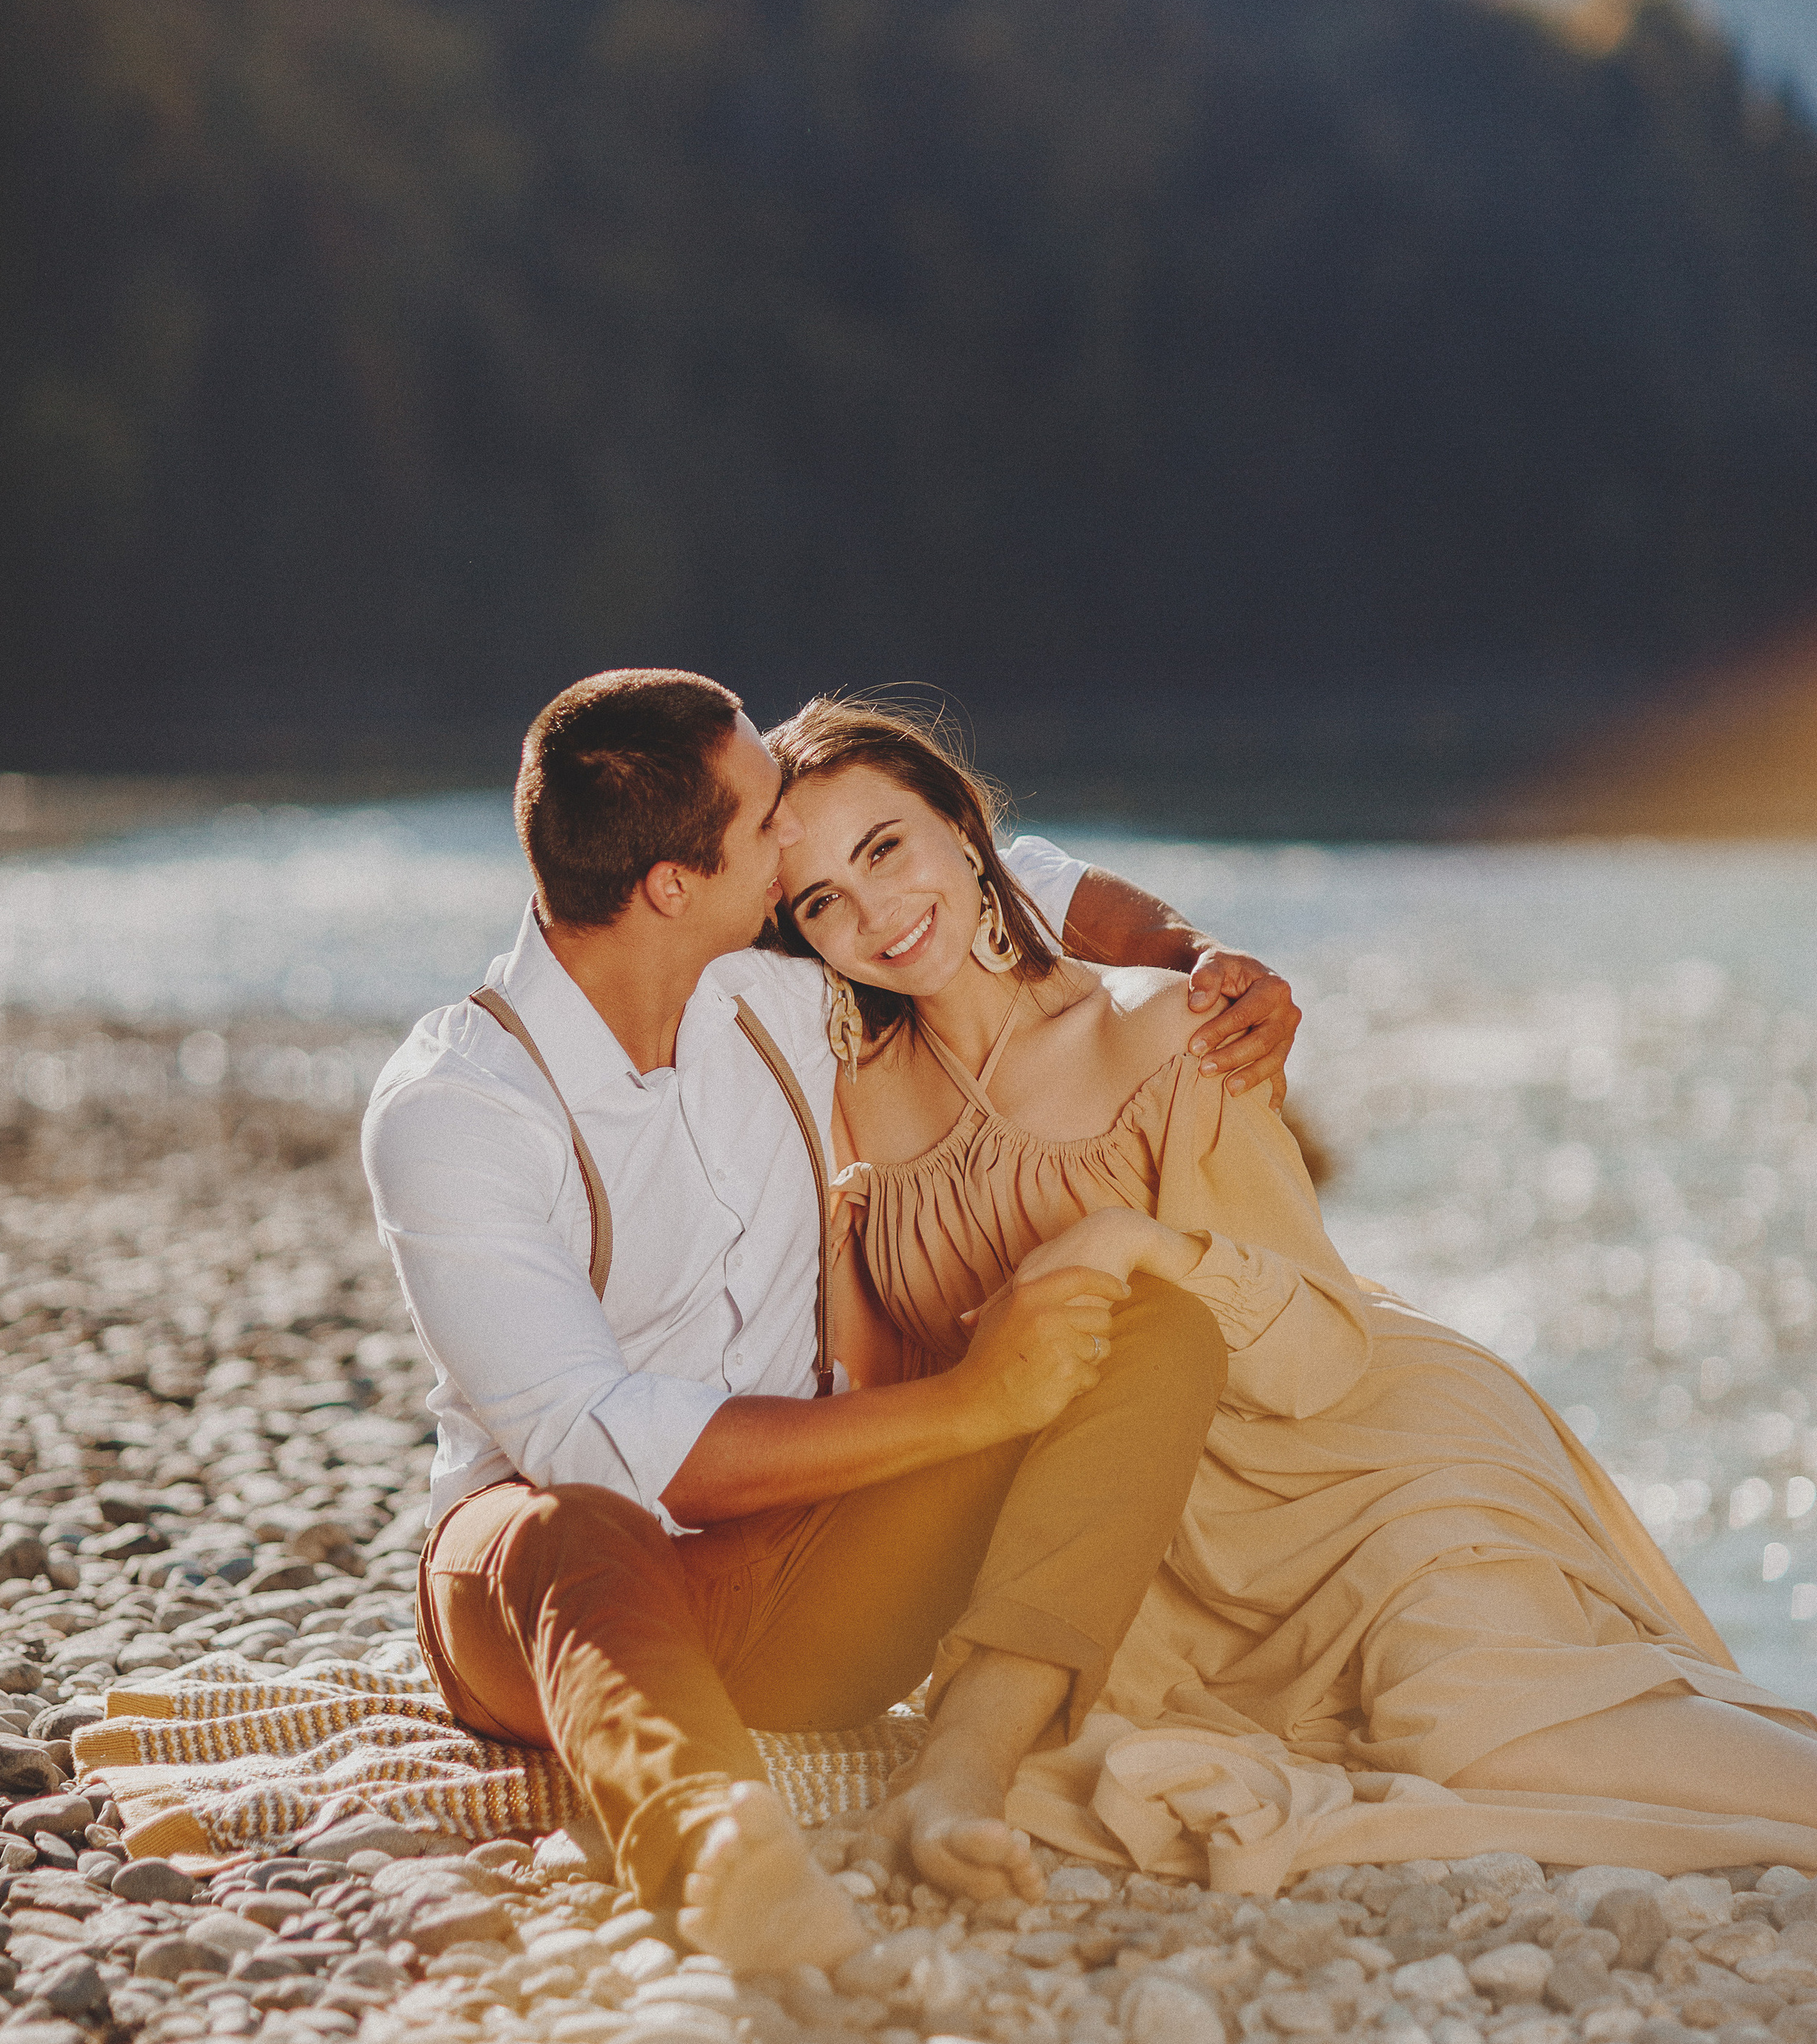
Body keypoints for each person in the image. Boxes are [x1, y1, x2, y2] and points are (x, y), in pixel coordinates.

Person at [770, 694, 1817, 1886]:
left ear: (966, 833)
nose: (876, 913)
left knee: (1478, 1728)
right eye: (823, 901)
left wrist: (1137, 1240)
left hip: (1359, 1471)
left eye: (885, 848)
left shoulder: (1171, 1030)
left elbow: (1319, 1344)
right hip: (1142, 1552)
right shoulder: (843, 1100)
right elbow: (886, 1391)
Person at [362, 668, 1304, 1969]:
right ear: (673, 888)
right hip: (561, 1610)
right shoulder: (459, 1107)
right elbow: (593, 1439)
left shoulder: (777, 991)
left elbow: (990, 868)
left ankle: (955, 1778)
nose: (793, 830)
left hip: (813, 1582)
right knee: (562, 1521)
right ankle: (716, 1852)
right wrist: (967, 1405)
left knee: (1142, 1325)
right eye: (766, 823)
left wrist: (1197, 958)